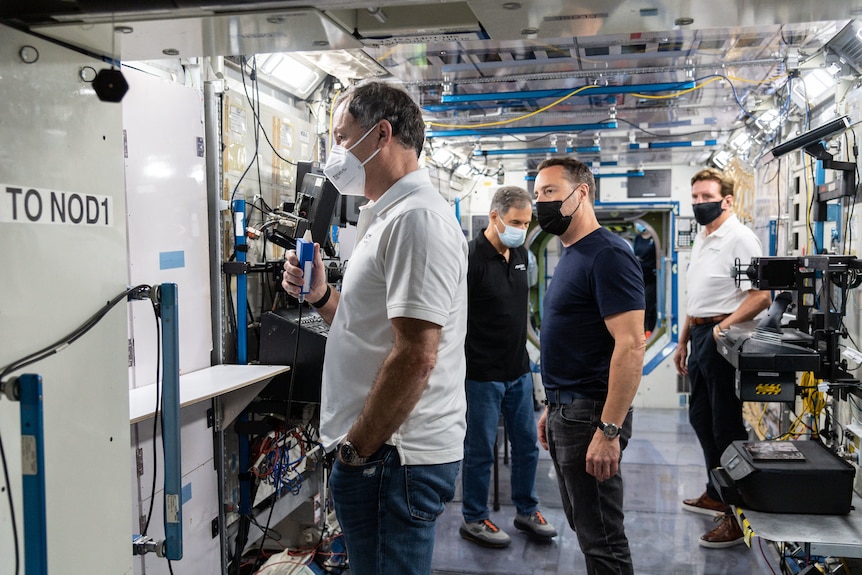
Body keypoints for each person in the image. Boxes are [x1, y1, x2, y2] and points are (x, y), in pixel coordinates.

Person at [281, 81, 468, 575]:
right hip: (382, 455)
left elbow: (416, 355)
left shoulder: (417, 221)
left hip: (391, 457)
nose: (335, 153)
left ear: (381, 134)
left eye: (343, 138)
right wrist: (322, 296)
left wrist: (357, 451)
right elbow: (370, 329)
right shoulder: (389, 218)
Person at [533, 157, 646, 575]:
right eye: (537, 193)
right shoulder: (573, 254)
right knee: (586, 528)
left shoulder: (608, 254)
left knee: (602, 538)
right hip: (568, 410)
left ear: (581, 194)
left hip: (591, 418)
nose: (539, 201)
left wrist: (609, 430)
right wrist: (553, 404)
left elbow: (631, 346)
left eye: (549, 192)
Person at [673, 168, 771, 548]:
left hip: (721, 337)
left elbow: (761, 296)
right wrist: (683, 341)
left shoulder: (741, 238)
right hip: (699, 335)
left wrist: (722, 327)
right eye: (694, 197)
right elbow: (695, 297)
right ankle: (716, 490)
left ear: (726, 200)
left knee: (724, 427)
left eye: (705, 196)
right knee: (700, 418)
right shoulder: (703, 237)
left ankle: (735, 512)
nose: (699, 203)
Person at [459, 186, 558, 548]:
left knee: (528, 446)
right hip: (481, 375)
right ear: (494, 217)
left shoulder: (521, 254)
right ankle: (472, 517)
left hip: (518, 371)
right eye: (515, 221)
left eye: (526, 222)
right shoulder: (469, 258)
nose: (520, 228)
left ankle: (526, 509)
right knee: (480, 450)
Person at [632, 222, 657, 334]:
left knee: (648, 305)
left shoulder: (654, 239)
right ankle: (640, 331)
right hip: (639, 277)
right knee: (639, 305)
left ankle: (649, 330)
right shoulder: (637, 239)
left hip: (652, 277)